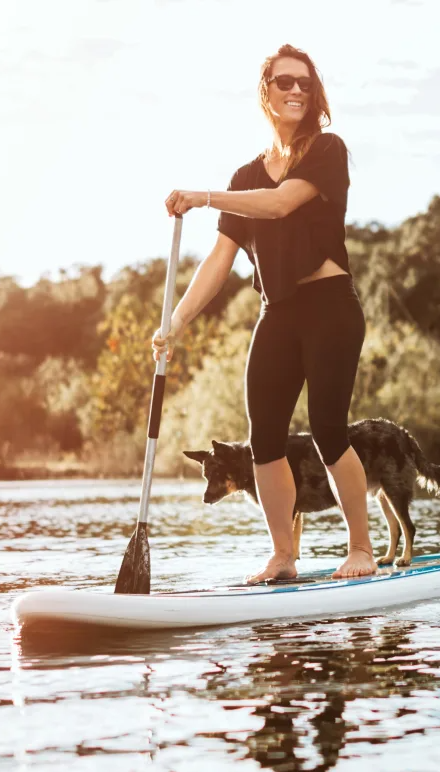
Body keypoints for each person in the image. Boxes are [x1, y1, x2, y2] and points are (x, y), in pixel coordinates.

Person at [153, 44, 377, 584]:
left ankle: (361, 549)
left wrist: (206, 196)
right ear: (266, 92)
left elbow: (278, 203)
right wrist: (174, 323)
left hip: (330, 307)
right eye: (284, 82)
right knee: (265, 440)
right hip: (277, 313)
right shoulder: (246, 174)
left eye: (305, 82)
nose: (296, 90)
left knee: (328, 430)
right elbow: (220, 260)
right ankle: (282, 557)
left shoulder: (327, 150)